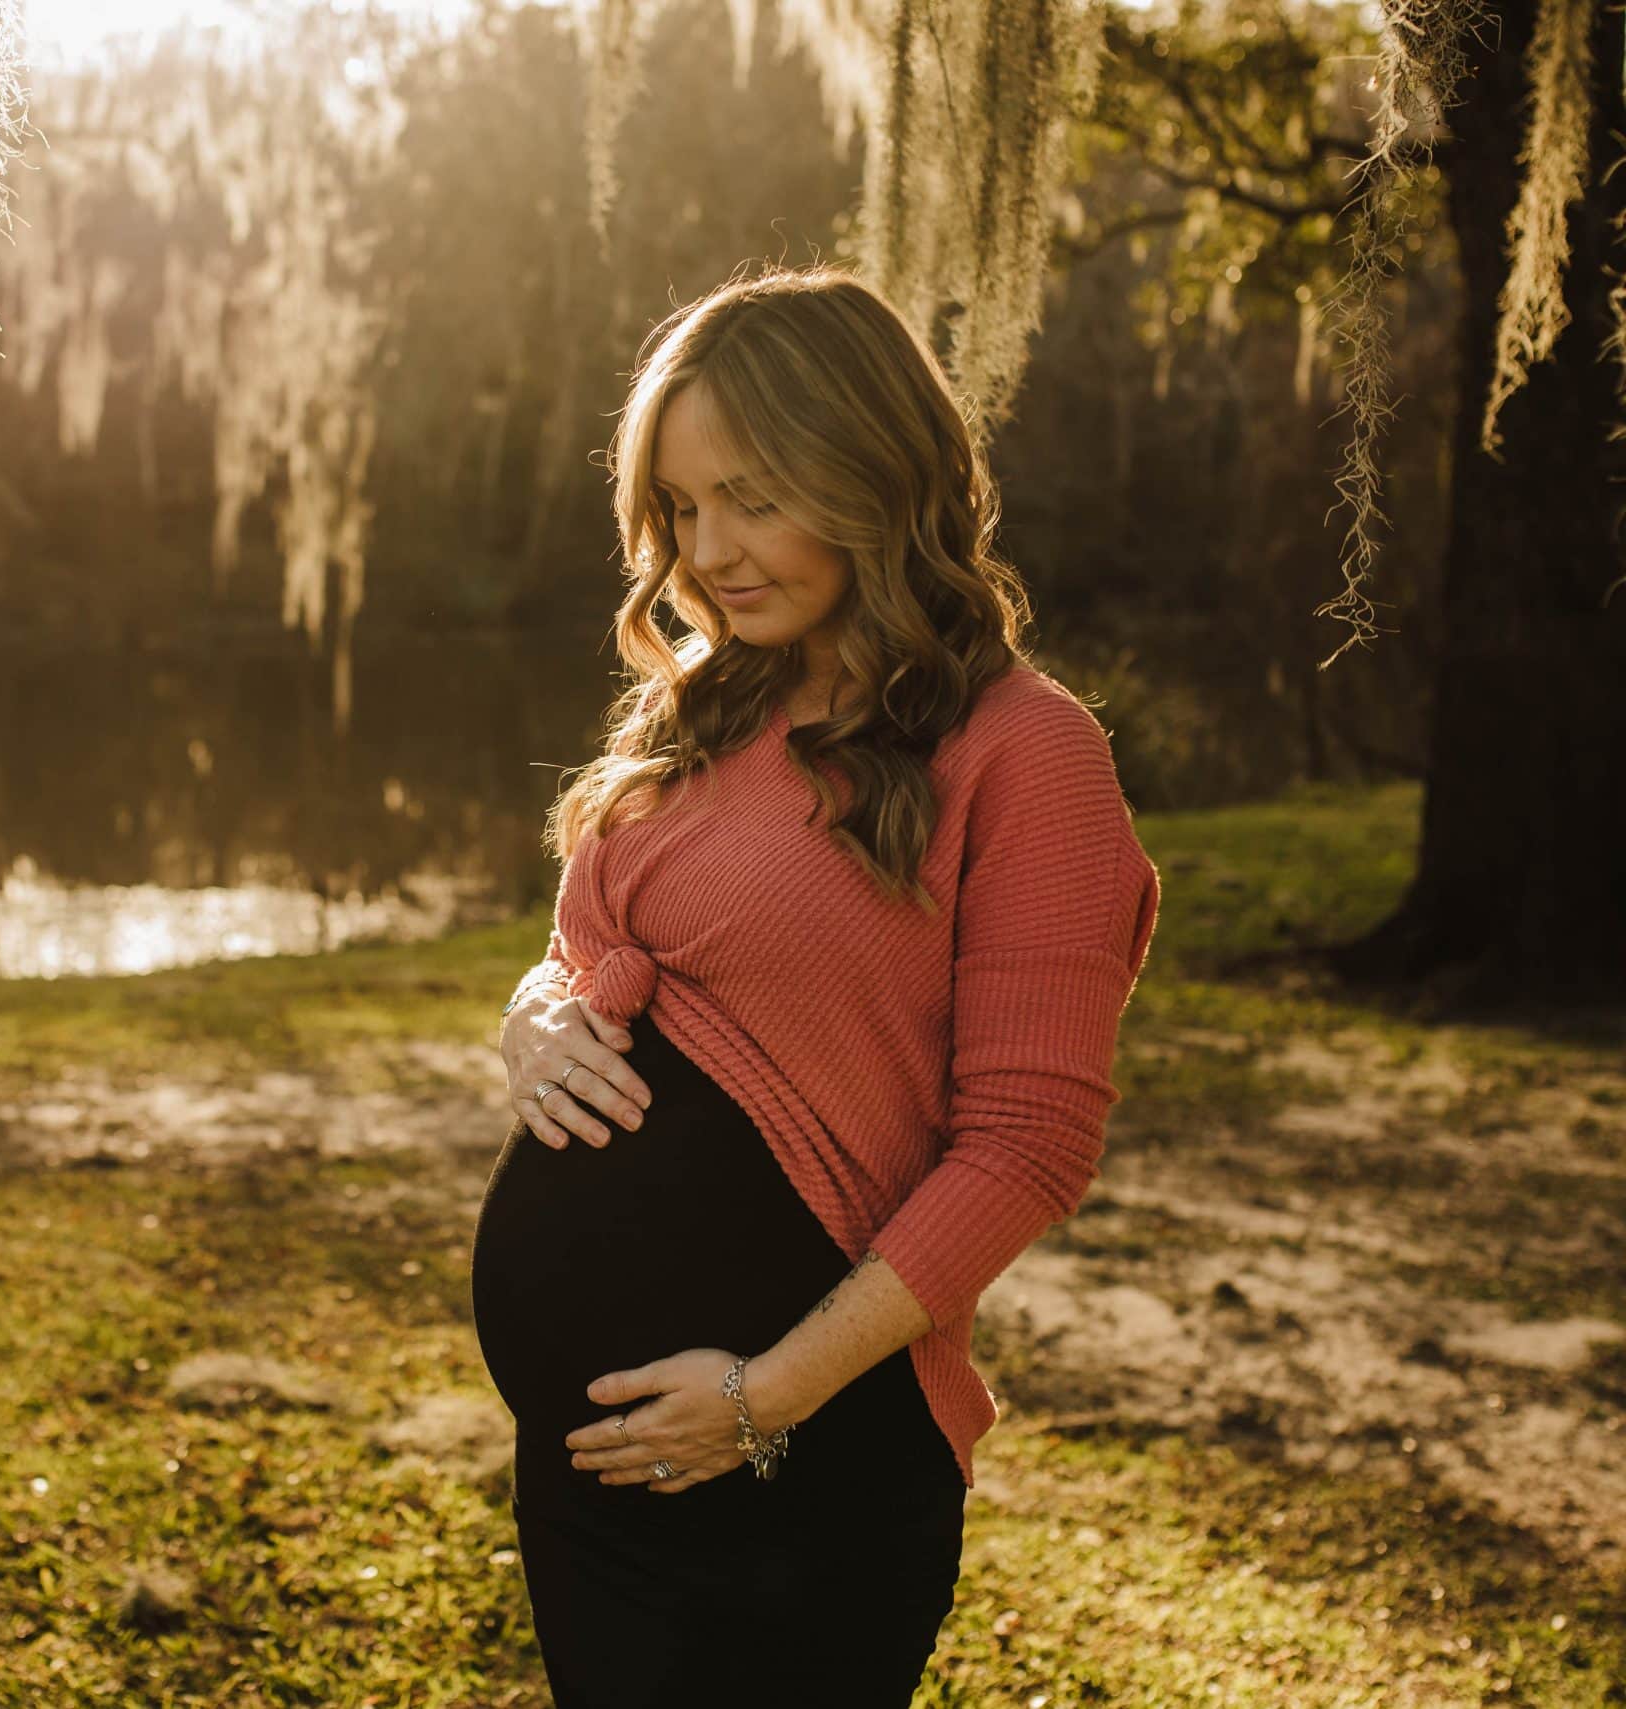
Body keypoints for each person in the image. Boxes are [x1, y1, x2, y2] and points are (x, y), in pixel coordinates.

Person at [467, 261, 1163, 1707]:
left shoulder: (1027, 751)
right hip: (600, 1472)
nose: (708, 548)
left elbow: (1030, 1140)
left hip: (810, 1462)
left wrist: (761, 1396)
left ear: (874, 472)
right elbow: (579, 954)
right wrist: (533, 1016)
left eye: (753, 496)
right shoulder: (694, 706)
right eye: (678, 506)